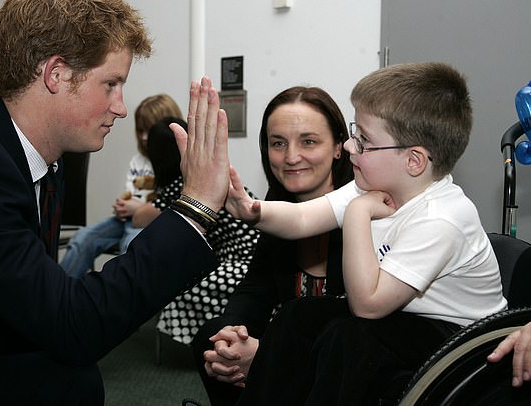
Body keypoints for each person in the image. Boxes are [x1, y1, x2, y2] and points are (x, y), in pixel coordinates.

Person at [0, 0, 230, 405]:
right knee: (71, 382)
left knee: (72, 380)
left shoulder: (33, 158)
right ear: (55, 74)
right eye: (111, 84)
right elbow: (75, 327)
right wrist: (195, 207)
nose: (121, 107)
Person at [225, 62, 507, 405]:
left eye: (365, 141)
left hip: (461, 342)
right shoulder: (371, 184)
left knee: (348, 338)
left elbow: (367, 305)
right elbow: (300, 219)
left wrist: (358, 214)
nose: (349, 148)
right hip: (405, 322)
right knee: (297, 317)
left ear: (414, 161)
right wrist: (249, 210)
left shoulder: (441, 218)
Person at [189, 86, 353, 406]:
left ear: (338, 147)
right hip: (298, 353)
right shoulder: (275, 210)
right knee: (212, 340)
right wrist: (232, 337)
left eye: (308, 141)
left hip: (345, 361)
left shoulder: (366, 209)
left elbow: (352, 332)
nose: (291, 157)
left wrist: (267, 356)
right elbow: (255, 289)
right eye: (278, 143)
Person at [132, 117, 261, 348]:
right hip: (248, 253)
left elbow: (140, 218)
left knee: (179, 282)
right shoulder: (201, 174)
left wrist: (132, 208)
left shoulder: (184, 184)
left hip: (245, 260)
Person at [59, 93, 183, 278]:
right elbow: (131, 193)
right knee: (83, 238)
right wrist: (124, 205)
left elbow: (175, 208)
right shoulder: (138, 161)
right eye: (140, 131)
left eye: (149, 131)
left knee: (131, 245)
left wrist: (138, 208)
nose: (143, 137)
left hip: (152, 223)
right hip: (129, 219)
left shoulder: (177, 164)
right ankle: (60, 295)